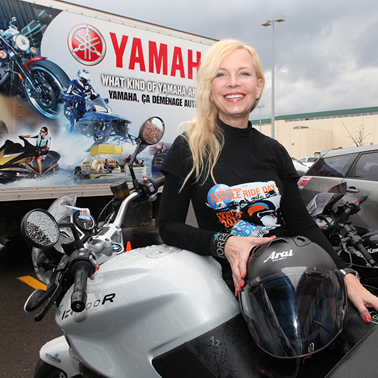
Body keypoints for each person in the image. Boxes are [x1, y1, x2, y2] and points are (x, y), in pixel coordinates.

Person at [158, 39, 378, 344]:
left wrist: (346, 276)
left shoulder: (273, 150)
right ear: (209, 87)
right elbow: (168, 226)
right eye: (221, 74)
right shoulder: (189, 148)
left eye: (243, 74)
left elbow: (301, 224)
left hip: (298, 274)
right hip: (239, 291)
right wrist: (226, 243)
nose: (233, 83)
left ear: (258, 86)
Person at [61, 69, 99, 133]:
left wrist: (101, 100)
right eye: (85, 81)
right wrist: (74, 98)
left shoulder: (89, 87)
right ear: (80, 79)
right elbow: (63, 95)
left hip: (83, 110)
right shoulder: (72, 85)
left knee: (93, 116)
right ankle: (70, 137)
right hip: (71, 109)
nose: (86, 83)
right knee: (75, 118)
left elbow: (95, 95)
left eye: (88, 81)